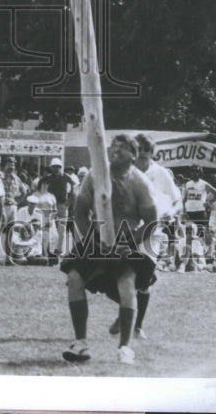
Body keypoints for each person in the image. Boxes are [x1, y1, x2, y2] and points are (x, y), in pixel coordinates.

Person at [60, 134, 157, 365]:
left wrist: (128, 244)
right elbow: (80, 213)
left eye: (123, 148)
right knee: (74, 278)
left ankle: (125, 347)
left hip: (128, 241)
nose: (116, 150)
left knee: (126, 286)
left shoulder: (140, 182)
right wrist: (90, 240)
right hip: (97, 238)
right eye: (113, 145)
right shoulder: (95, 175)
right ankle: (80, 344)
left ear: (133, 156)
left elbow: (152, 223)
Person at [109, 132, 182, 340]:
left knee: (145, 280)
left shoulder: (161, 174)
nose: (141, 160)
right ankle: (128, 313)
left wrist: (171, 212)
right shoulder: (125, 173)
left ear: (151, 155)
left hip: (153, 230)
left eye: (146, 156)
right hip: (130, 228)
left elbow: (178, 201)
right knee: (125, 273)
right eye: (139, 155)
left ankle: (136, 324)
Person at [181, 165, 216, 241]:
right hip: (189, 213)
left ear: (200, 173)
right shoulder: (188, 184)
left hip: (200, 213)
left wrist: (209, 202)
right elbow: (184, 200)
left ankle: (203, 252)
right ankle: (191, 252)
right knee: (189, 236)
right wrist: (183, 212)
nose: (194, 174)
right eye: (193, 172)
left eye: (196, 172)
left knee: (202, 236)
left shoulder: (204, 184)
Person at [45, 157, 73, 257]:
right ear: (51, 168)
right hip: (51, 205)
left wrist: (69, 202)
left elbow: (74, 188)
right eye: (54, 167)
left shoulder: (66, 177)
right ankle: (46, 248)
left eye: (58, 167)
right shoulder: (48, 178)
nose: (56, 169)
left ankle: (59, 250)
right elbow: (41, 187)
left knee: (62, 228)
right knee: (48, 226)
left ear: (61, 167)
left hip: (62, 205)